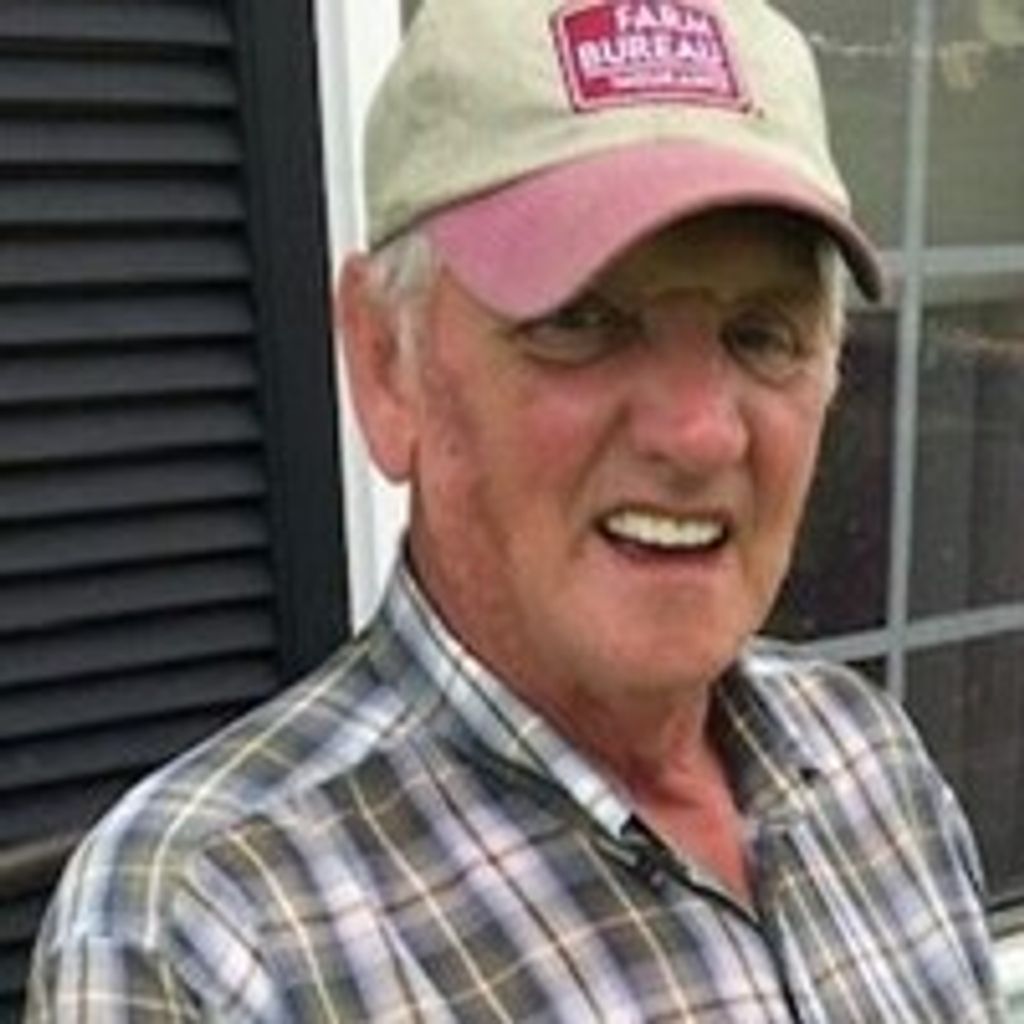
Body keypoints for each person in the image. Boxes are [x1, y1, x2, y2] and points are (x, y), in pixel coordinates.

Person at [27, 0, 1003, 1020]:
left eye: (762, 333)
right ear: (384, 362)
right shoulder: (208, 936)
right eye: (581, 320)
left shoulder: (869, 764)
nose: (699, 435)